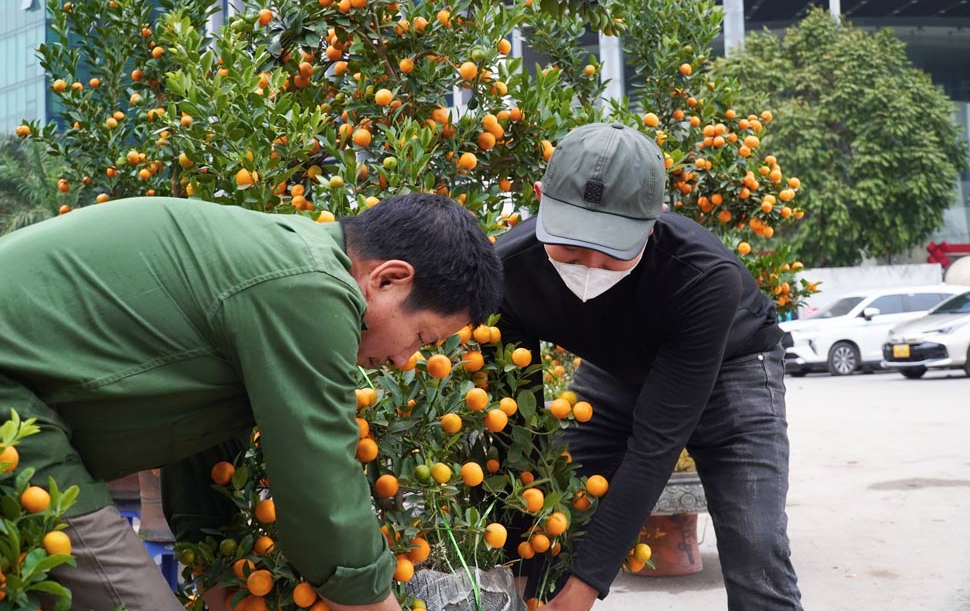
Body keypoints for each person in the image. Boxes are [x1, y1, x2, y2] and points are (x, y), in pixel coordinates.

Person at [0, 193, 502, 611]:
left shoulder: (278, 264)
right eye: (420, 336)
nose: (404, 360)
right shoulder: (310, 287)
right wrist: (373, 600)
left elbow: (205, 459)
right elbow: (321, 481)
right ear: (388, 279)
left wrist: (220, 576)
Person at [495, 123, 803, 610]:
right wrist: (519, 561)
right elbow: (517, 430)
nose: (590, 265)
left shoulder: (703, 279)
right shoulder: (509, 269)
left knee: (755, 545)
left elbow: (655, 445)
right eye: (571, 245)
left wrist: (584, 587)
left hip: (733, 370)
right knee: (552, 507)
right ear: (539, 198)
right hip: (614, 372)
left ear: (655, 219)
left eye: (613, 250)